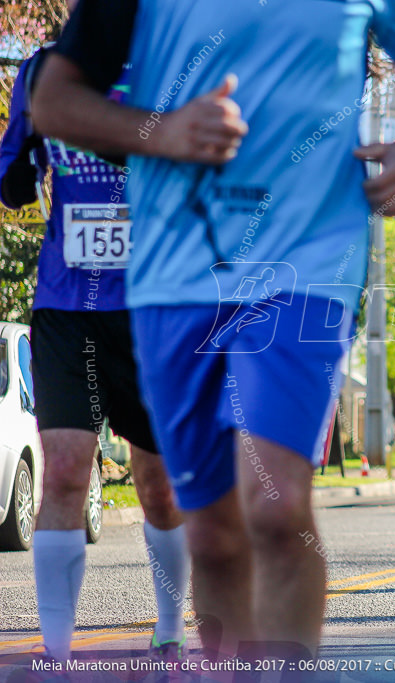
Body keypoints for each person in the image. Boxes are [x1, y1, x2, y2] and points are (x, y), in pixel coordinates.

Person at [33, 0, 395, 659]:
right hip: (175, 273)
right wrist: (159, 131)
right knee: (215, 536)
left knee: (276, 507)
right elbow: (52, 102)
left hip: (306, 261)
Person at [0, 25, 188, 662]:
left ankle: (168, 628)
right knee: (64, 475)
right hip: (65, 304)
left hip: (150, 310)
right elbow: (11, 162)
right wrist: (15, 177)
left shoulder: (169, 67)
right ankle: (56, 650)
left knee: (158, 484)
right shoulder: (42, 72)